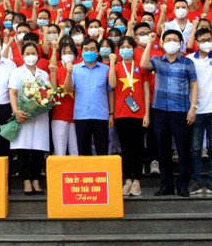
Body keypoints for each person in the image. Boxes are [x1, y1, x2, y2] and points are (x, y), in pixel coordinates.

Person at [140, 29, 198, 197]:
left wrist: (193, 107)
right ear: (163, 43)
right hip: (160, 111)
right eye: (168, 39)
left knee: (183, 150)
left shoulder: (187, 63)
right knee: (163, 150)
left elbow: (194, 85)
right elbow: (144, 64)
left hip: (181, 111)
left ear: (180, 44)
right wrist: (150, 42)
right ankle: (166, 185)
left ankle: (182, 185)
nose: (172, 42)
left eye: (175, 40)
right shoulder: (157, 60)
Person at [108, 36, 150, 196]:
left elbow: (146, 91)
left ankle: (137, 181)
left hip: (139, 113)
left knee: (138, 148)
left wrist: (147, 113)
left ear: (134, 48)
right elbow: (111, 85)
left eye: (129, 46)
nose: (126, 49)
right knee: (125, 149)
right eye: (122, 47)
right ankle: (128, 180)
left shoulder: (141, 66)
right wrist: (112, 63)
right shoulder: (117, 67)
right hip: (121, 113)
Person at [9, 41, 51, 194]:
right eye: (27, 54)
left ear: (38, 55)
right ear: (22, 55)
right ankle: (26, 181)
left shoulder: (44, 74)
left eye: (33, 53)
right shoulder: (17, 72)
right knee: (23, 149)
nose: (30, 56)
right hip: (23, 114)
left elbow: (47, 93)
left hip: (40, 116)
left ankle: (36, 180)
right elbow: (13, 92)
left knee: (38, 149)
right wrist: (16, 111)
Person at [187, 28, 212, 195]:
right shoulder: (188, 60)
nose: (206, 42)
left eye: (209, 39)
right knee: (195, 148)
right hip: (196, 109)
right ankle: (195, 180)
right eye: (203, 40)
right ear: (196, 42)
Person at [66, 39, 111, 156]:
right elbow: (68, 89)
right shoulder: (74, 69)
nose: (89, 52)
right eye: (85, 49)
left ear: (98, 52)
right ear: (81, 52)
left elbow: (110, 91)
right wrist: (68, 74)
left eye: (92, 49)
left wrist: (111, 114)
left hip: (101, 115)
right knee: (83, 150)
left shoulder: (106, 69)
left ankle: (102, 173)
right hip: (82, 115)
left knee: (102, 150)